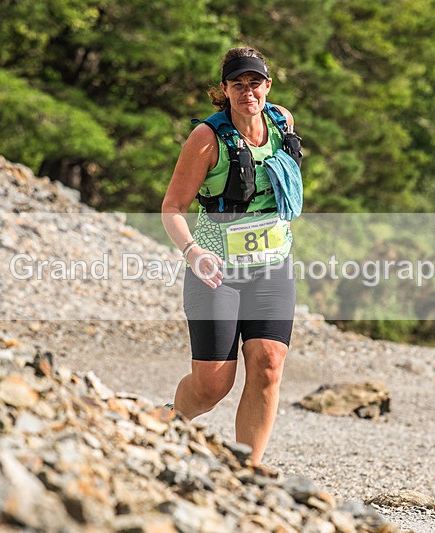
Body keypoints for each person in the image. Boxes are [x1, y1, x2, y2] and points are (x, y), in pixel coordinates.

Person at [161, 47, 299, 466]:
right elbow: (172, 208)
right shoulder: (206, 139)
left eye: (254, 83)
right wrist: (193, 252)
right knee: (212, 386)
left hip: (272, 265)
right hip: (216, 271)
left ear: (267, 86)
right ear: (224, 89)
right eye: (237, 85)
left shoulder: (282, 122)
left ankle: (248, 470)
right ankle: (162, 424)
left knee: (269, 364)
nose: (247, 92)